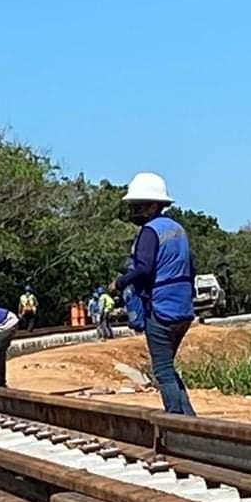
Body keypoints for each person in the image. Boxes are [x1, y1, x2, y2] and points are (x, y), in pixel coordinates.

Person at [110, 172, 196, 415]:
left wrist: (120, 283)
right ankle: (189, 419)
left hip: (161, 309)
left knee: (162, 371)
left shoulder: (150, 231)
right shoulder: (178, 229)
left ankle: (177, 421)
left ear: (154, 205)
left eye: (139, 206)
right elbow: (192, 266)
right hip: (183, 310)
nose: (135, 211)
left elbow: (144, 268)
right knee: (168, 367)